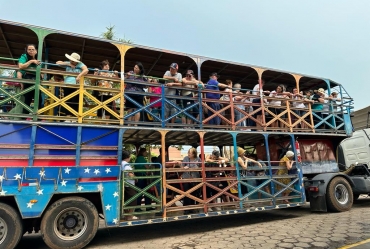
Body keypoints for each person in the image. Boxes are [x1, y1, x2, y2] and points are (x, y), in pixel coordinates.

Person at [56, 53, 88, 118]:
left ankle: (75, 117)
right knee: (67, 101)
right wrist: (68, 64)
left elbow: (86, 70)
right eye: (71, 60)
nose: (71, 61)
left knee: (75, 101)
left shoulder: (80, 64)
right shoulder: (68, 63)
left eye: (73, 61)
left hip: (76, 85)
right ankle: (68, 116)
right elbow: (57, 63)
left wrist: (79, 75)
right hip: (67, 84)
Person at [17, 44, 43, 115]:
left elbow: (42, 72)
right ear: (26, 50)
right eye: (29, 49)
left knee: (38, 100)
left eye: (32, 49)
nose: (31, 51)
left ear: (36, 51)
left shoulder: (39, 58)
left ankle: (38, 117)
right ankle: (24, 117)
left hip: (37, 81)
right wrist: (31, 61)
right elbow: (21, 66)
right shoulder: (24, 56)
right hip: (28, 80)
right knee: (27, 99)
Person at [181, 148, 201, 213]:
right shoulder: (185, 158)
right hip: (186, 178)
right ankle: (186, 209)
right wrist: (184, 168)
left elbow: (201, 166)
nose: (189, 154)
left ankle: (192, 208)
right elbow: (181, 167)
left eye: (190, 153)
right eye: (188, 152)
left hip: (195, 179)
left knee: (193, 193)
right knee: (186, 193)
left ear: (194, 153)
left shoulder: (198, 159)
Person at [121, 150, 138, 220]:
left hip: (124, 184)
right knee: (133, 199)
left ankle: (126, 215)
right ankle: (130, 215)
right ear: (128, 157)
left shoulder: (120, 163)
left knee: (125, 200)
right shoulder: (126, 164)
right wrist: (136, 178)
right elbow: (130, 174)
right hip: (129, 184)